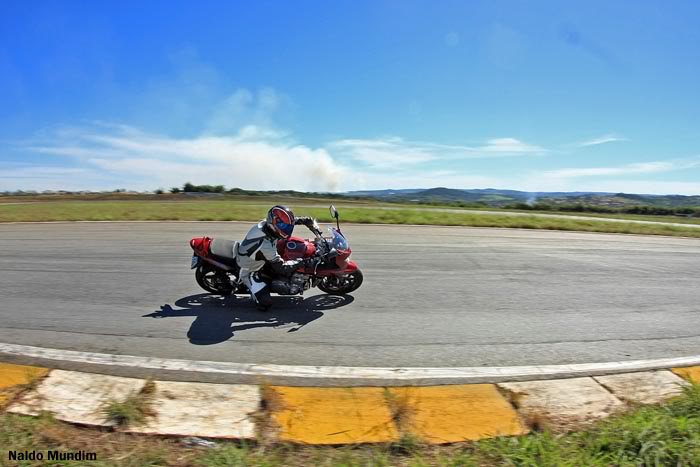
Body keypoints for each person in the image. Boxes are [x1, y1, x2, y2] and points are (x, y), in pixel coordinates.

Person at [235, 205, 316, 310]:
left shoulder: (269, 225)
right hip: (249, 267)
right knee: (265, 303)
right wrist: (301, 262)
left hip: (258, 255)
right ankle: (250, 288)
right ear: (273, 223)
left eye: (287, 226)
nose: (286, 229)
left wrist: (304, 220)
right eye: (283, 226)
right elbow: (281, 267)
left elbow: (287, 222)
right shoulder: (265, 244)